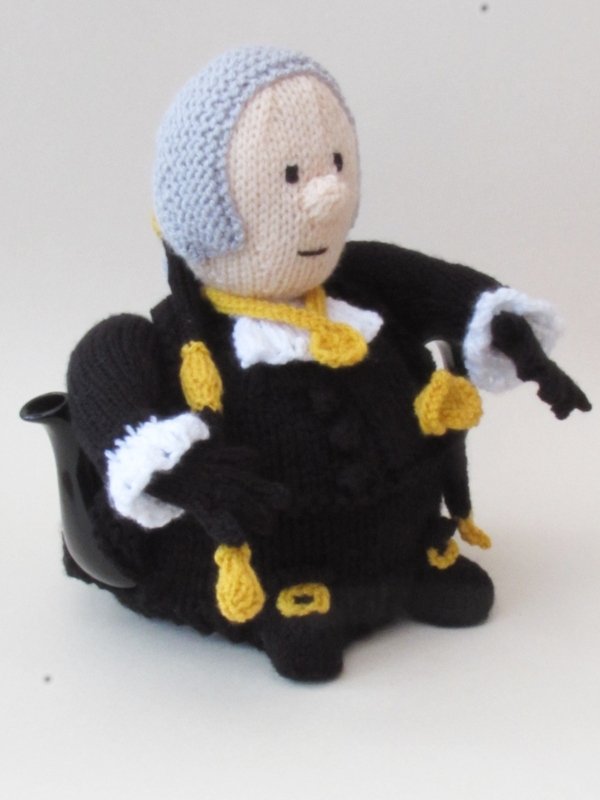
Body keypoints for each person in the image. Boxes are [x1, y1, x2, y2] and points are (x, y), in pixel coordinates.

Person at [66, 46, 590, 681]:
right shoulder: (182, 337)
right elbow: (104, 374)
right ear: (205, 207)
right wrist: (179, 468)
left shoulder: (359, 282)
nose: (329, 195)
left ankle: (411, 561)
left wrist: (510, 336)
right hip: (264, 566)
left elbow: (445, 293)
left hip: (400, 533)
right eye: (290, 175)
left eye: (336, 165)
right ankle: (289, 600)